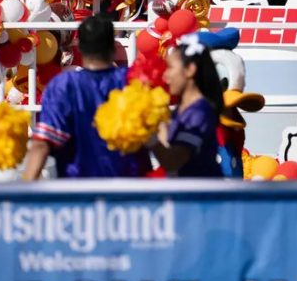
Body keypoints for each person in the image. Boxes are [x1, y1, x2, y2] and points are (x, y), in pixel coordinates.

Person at [23, 16, 147, 180]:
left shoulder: (63, 86)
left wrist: (23, 194)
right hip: (129, 194)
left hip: (77, 195)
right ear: (112, 48)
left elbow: (41, 145)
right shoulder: (134, 82)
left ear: (80, 48)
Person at [150, 34, 224, 178]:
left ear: (190, 69)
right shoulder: (181, 108)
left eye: (170, 68)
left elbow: (173, 162)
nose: (165, 75)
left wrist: (148, 137)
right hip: (186, 196)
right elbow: (168, 146)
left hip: (200, 197)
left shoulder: (199, 112)